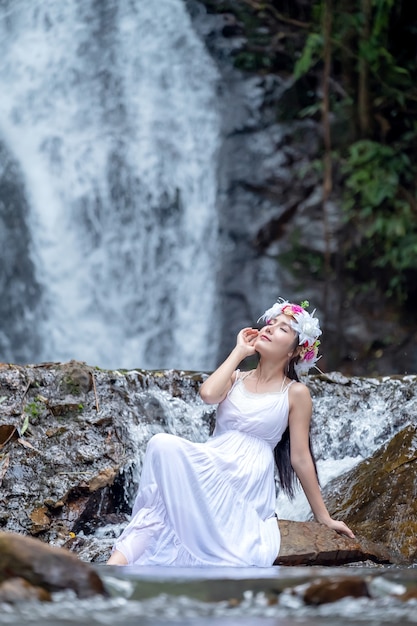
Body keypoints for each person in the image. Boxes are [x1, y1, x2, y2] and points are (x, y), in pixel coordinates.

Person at [107, 298, 354, 566]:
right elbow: (208, 394)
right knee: (161, 451)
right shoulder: (236, 377)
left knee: (163, 462)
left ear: (295, 352)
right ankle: (115, 566)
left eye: (283, 329)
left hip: (247, 478)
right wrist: (238, 352)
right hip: (214, 459)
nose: (270, 328)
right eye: (271, 323)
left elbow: (300, 458)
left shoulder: (296, 393)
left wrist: (323, 517)